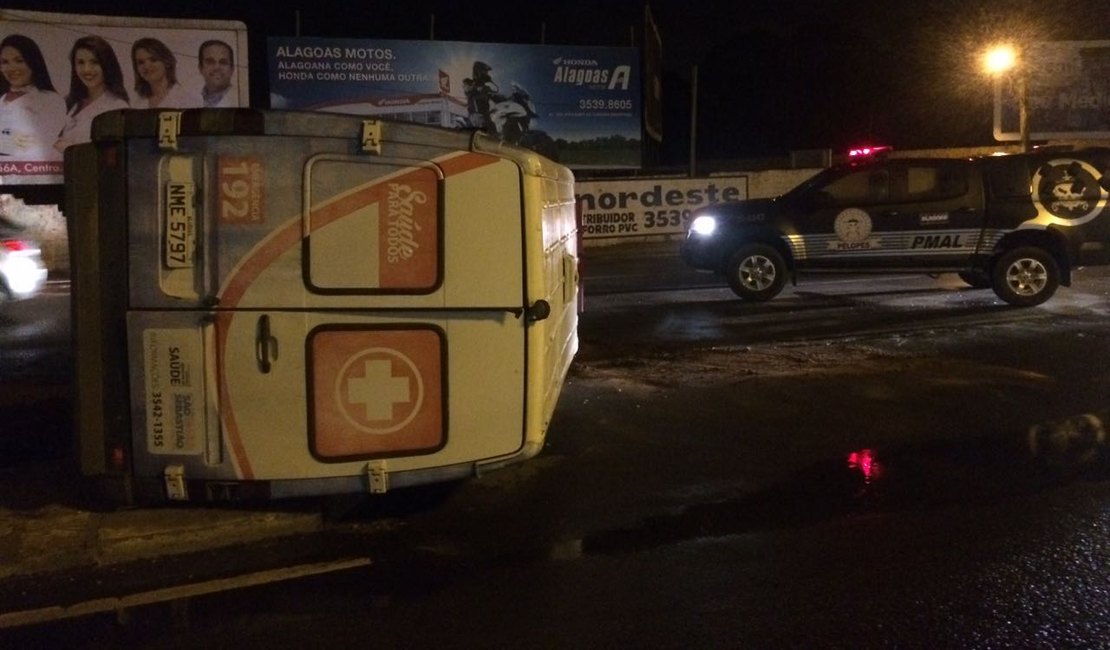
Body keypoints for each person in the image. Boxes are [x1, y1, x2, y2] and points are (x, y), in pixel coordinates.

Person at [54, 35, 129, 153]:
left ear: (107, 65)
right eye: (80, 62)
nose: (87, 69)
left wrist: (68, 149)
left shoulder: (117, 107)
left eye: (94, 62)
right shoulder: (71, 102)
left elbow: (111, 156)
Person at [0, 34, 67, 161]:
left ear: (33, 62)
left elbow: (39, 141)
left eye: (19, 61)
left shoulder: (51, 100)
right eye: (5, 62)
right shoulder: (1, 99)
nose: (12, 68)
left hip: (32, 174)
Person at [131, 37, 195, 109]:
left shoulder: (186, 100)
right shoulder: (138, 102)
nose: (146, 66)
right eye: (141, 62)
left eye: (153, 60)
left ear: (166, 62)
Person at [463, 60, 503, 135]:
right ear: (478, 72)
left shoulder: (486, 88)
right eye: (485, 72)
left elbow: (495, 97)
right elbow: (466, 89)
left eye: (487, 72)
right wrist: (476, 88)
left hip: (485, 116)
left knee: (496, 131)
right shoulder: (470, 83)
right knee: (490, 131)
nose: (487, 74)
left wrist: (509, 99)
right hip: (476, 116)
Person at [198, 39, 236, 107]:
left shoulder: (241, 97)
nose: (216, 67)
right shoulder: (189, 100)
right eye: (210, 62)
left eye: (223, 62)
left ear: (232, 69)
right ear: (200, 68)